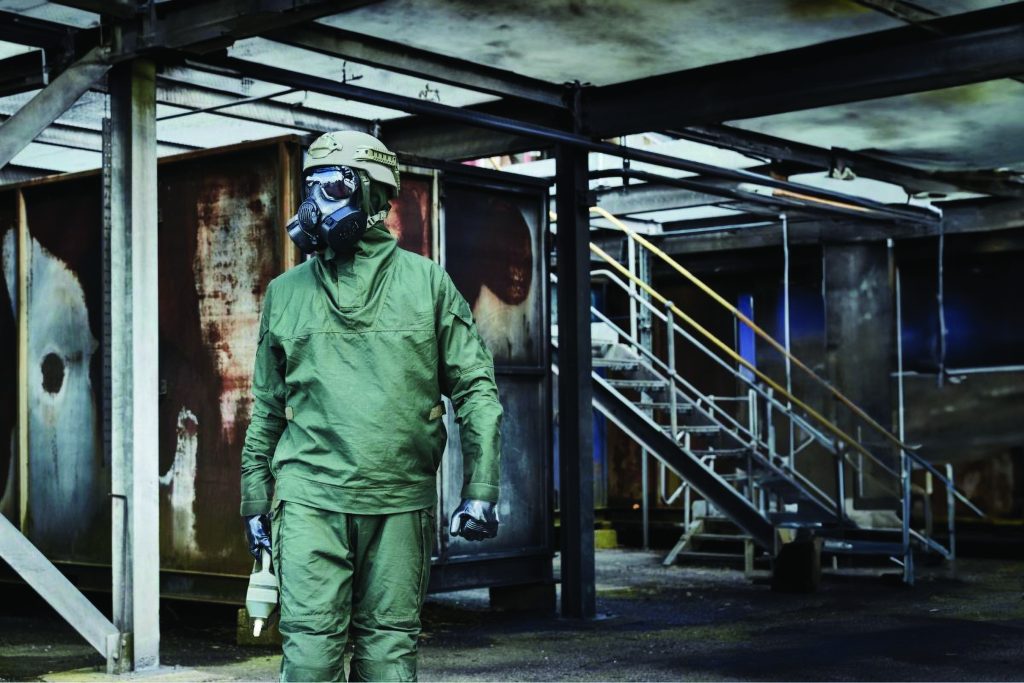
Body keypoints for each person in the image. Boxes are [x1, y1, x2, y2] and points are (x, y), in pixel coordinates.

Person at [239, 130, 503, 682]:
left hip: (398, 500)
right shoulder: (286, 293)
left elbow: (476, 388)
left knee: (388, 658)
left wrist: (481, 490)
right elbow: (265, 407)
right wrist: (254, 500)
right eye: (310, 188)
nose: (316, 205)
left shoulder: (428, 285)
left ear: (374, 197)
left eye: (333, 187)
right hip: (310, 498)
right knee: (309, 660)